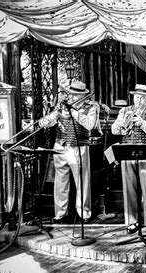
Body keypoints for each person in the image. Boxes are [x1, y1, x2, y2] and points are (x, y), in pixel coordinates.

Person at [39, 80, 100, 224]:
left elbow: (90, 125)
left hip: (78, 147)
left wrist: (75, 113)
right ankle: (60, 214)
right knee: (60, 182)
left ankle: (84, 213)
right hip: (60, 146)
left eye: (75, 95)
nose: (71, 97)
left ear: (82, 96)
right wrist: (46, 120)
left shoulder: (90, 107)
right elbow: (50, 123)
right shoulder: (62, 107)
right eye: (70, 94)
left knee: (82, 181)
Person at [111, 84, 146, 235]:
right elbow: (114, 130)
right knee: (129, 188)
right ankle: (132, 221)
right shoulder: (124, 110)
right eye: (136, 97)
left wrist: (142, 123)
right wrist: (121, 126)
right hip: (127, 152)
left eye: (142, 97)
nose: (138, 100)